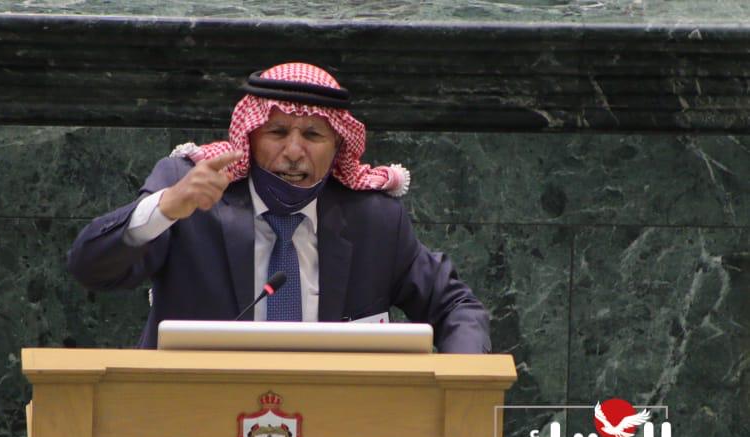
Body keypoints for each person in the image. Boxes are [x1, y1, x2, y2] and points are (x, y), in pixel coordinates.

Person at [67, 62, 490, 353]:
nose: (293, 152)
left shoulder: (373, 219)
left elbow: (456, 307)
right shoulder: (190, 194)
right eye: (277, 132)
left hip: (335, 428)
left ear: (338, 146)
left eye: (313, 135)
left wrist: (462, 385)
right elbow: (90, 268)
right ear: (249, 138)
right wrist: (165, 207)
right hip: (194, 417)